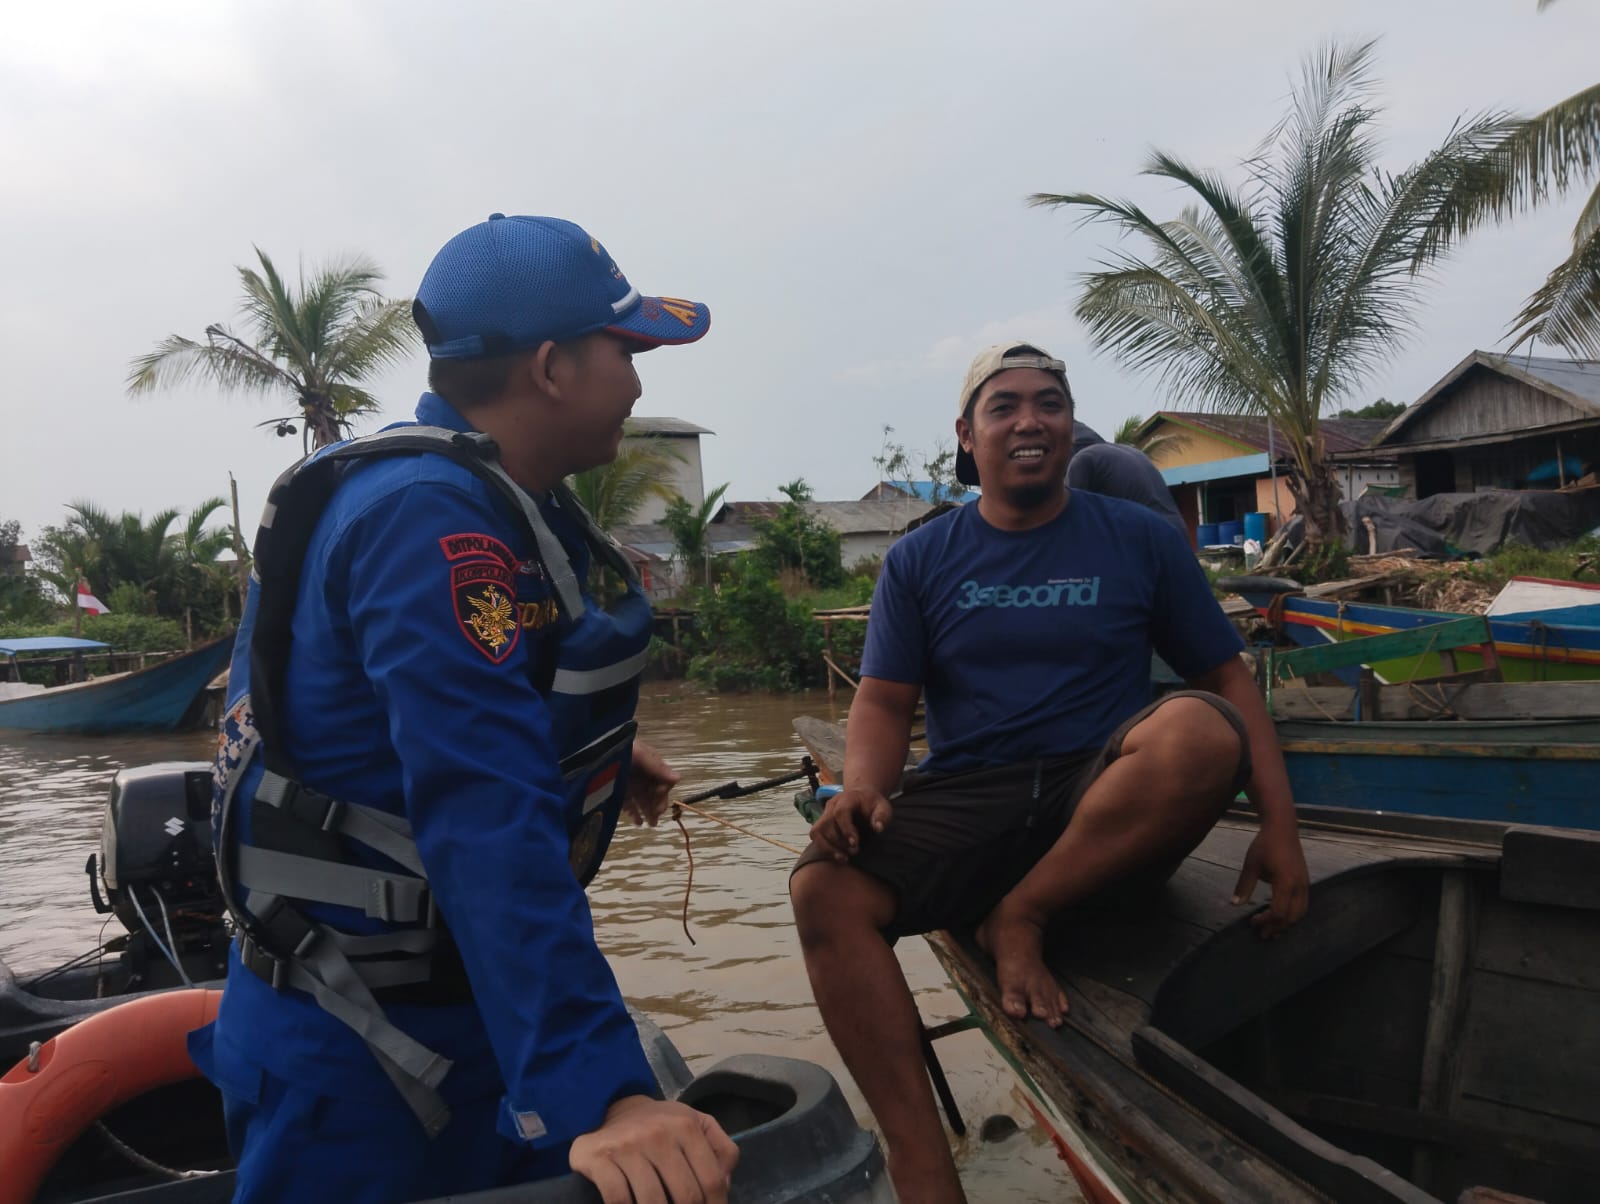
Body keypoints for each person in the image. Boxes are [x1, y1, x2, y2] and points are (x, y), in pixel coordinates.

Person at [193, 214, 738, 1204]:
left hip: (464, 1008)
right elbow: (479, 809)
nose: (642, 379)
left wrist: (604, 753)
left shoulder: (494, 496)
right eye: (624, 348)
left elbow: (432, 715)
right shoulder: (428, 519)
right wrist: (606, 1094)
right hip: (364, 1048)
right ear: (552, 368)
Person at [789, 342, 1309, 1204]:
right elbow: (881, 704)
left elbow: (1227, 679)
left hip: (1097, 792)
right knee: (823, 891)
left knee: (1200, 730)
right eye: (1005, 406)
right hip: (972, 790)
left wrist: (1281, 830)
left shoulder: (1139, 536)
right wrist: (863, 789)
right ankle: (922, 1168)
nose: (1031, 420)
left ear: (1070, 425)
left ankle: (1018, 915)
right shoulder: (922, 559)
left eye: (1051, 403)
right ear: (967, 434)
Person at [1066, 419, 1188, 538]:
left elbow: (1071, 521)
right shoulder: (1126, 452)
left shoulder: (1083, 460)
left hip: (1151, 539)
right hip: (1176, 533)